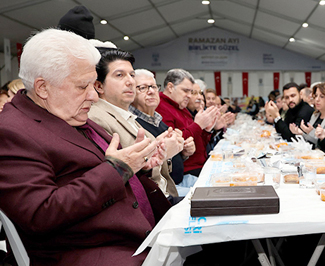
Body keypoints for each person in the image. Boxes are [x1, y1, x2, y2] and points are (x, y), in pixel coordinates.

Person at [0, 28, 171, 265]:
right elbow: (40, 213)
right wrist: (119, 169)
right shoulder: (12, 131)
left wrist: (138, 165)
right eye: (82, 87)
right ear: (42, 88)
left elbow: (99, 168)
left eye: (93, 85)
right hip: (100, 254)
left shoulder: (65, 112)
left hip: (139, 236)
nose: (93, 96)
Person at [88, 49, 181, 199]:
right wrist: (163, 155)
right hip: (149, 206)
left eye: (132, 75)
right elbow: (123, 178)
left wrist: (161, 150)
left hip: (163, 197)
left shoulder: (126, 116)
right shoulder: (97, 119)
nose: (131, 81)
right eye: (120, 75)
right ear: (99, 86)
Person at [129, 69, 196, 197]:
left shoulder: (158, 120)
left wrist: (183, 151)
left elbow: (171, 154)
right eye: (143, 88)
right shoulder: (133, 124)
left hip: (178, 181)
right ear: (130, 92)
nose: (152, 91)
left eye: (154, 86)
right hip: (164, 189)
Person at [156, 69, 220, 185]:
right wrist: (198, 125)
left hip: (197, 166)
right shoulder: (161, 107)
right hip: (186, 172)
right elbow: (172, 143)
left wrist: (207, 129)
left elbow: (198, 142)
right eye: (186, 91)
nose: (189, 96)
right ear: (170, 87)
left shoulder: (181, 107)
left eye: (192, 92)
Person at [289, 82, 325, 151]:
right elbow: (311, 140)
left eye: (322, 96)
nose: (317, 99)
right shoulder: (315, 115)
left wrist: (311, 132)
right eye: (316, 96)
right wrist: (301, 133)